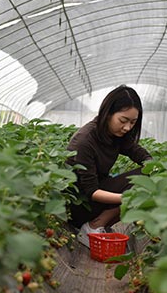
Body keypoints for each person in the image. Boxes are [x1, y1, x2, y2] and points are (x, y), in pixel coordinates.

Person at [65, 84, 152, 247]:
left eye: (133, 122)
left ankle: (99, 225)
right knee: (142, 183)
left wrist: (157, 168)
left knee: (151, 174)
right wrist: (129, 198)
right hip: (79, 205)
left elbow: (139, 153)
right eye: (123, 120)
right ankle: (93, 226)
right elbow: (91, 191)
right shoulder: (85, 141)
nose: (127, 127)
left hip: (95, 198)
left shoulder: (116, 135)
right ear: (108, 113)